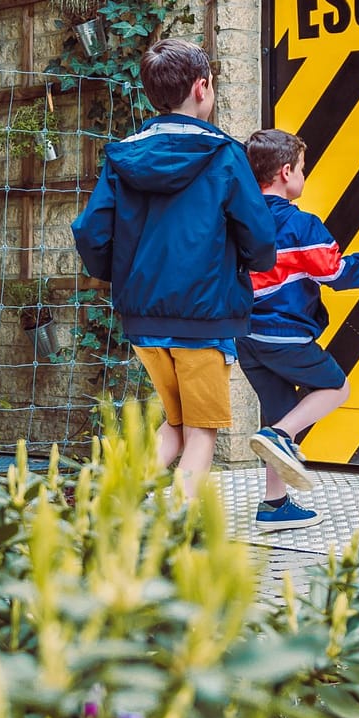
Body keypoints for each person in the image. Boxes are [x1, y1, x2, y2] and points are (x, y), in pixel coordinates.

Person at [73, 39, 276, 496]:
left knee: (177, 424)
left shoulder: (122, 156)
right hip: (205, 317)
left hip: (144, 320)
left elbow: (91, 233)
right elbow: (260, 235)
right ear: (202, 88)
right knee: (202, 432)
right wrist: (254, 264)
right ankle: (173, 524)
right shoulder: (225, 155)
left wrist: (125, 273)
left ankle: (112, 506)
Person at [238, 128, 359, 530]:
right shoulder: (301, 225)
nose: (304, 175)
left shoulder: (237, 222)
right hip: (285, 335)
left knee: (279, 413)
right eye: (302, 168)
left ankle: (274, 504)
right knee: (336, 387)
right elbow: (334, 273)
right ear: (286, 172)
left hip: (246, 336)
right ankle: (281, 436)